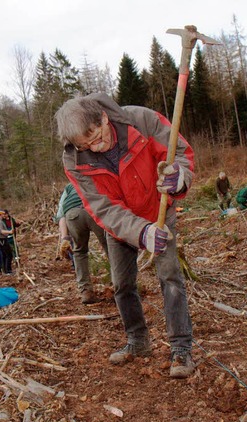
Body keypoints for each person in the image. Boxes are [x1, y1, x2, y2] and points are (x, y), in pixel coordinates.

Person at [55, 93, 195, 379]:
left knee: (169, 276)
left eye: (96, 136)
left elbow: (179, 152)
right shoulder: (74, 160)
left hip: (159, 207)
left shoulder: (141, 121)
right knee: (121, 284)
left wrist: (178, 177)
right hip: (120, 224)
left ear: (103, 118)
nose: (95, 147)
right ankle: (138, 340)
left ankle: (181, 348)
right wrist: (141, 233)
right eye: (86, 144)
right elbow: (102, 208)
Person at [55, 183, 109, 304]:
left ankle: (86, 291)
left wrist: (65, 238)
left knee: (79, 251)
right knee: (111, 249)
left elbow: (61, 214)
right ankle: (120, 287)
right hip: (94, 209)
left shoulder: (69, 186)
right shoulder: (94, 175)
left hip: (72, 215)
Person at [0, 210, 13, 274]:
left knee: (4, 255)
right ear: (0, 215)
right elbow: (1, 231)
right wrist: (10, 232)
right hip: (2, 240)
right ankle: (8, 271)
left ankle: (5, 270)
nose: (4, 215)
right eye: (3, 214)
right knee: (8, 255)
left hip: (1, 240)